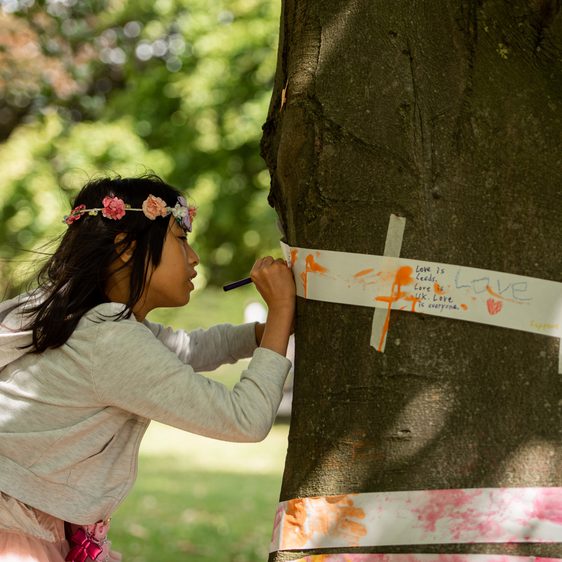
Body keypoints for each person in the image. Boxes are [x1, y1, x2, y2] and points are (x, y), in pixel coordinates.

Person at [0, 175, 295, 561]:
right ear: (125, 248)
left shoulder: (82, 316)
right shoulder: (109, 341)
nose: (194, 258)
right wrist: (282, 313)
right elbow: (245, 419)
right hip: (18, 534)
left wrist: (265, 331)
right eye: (181, 240)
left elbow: (190, 347)